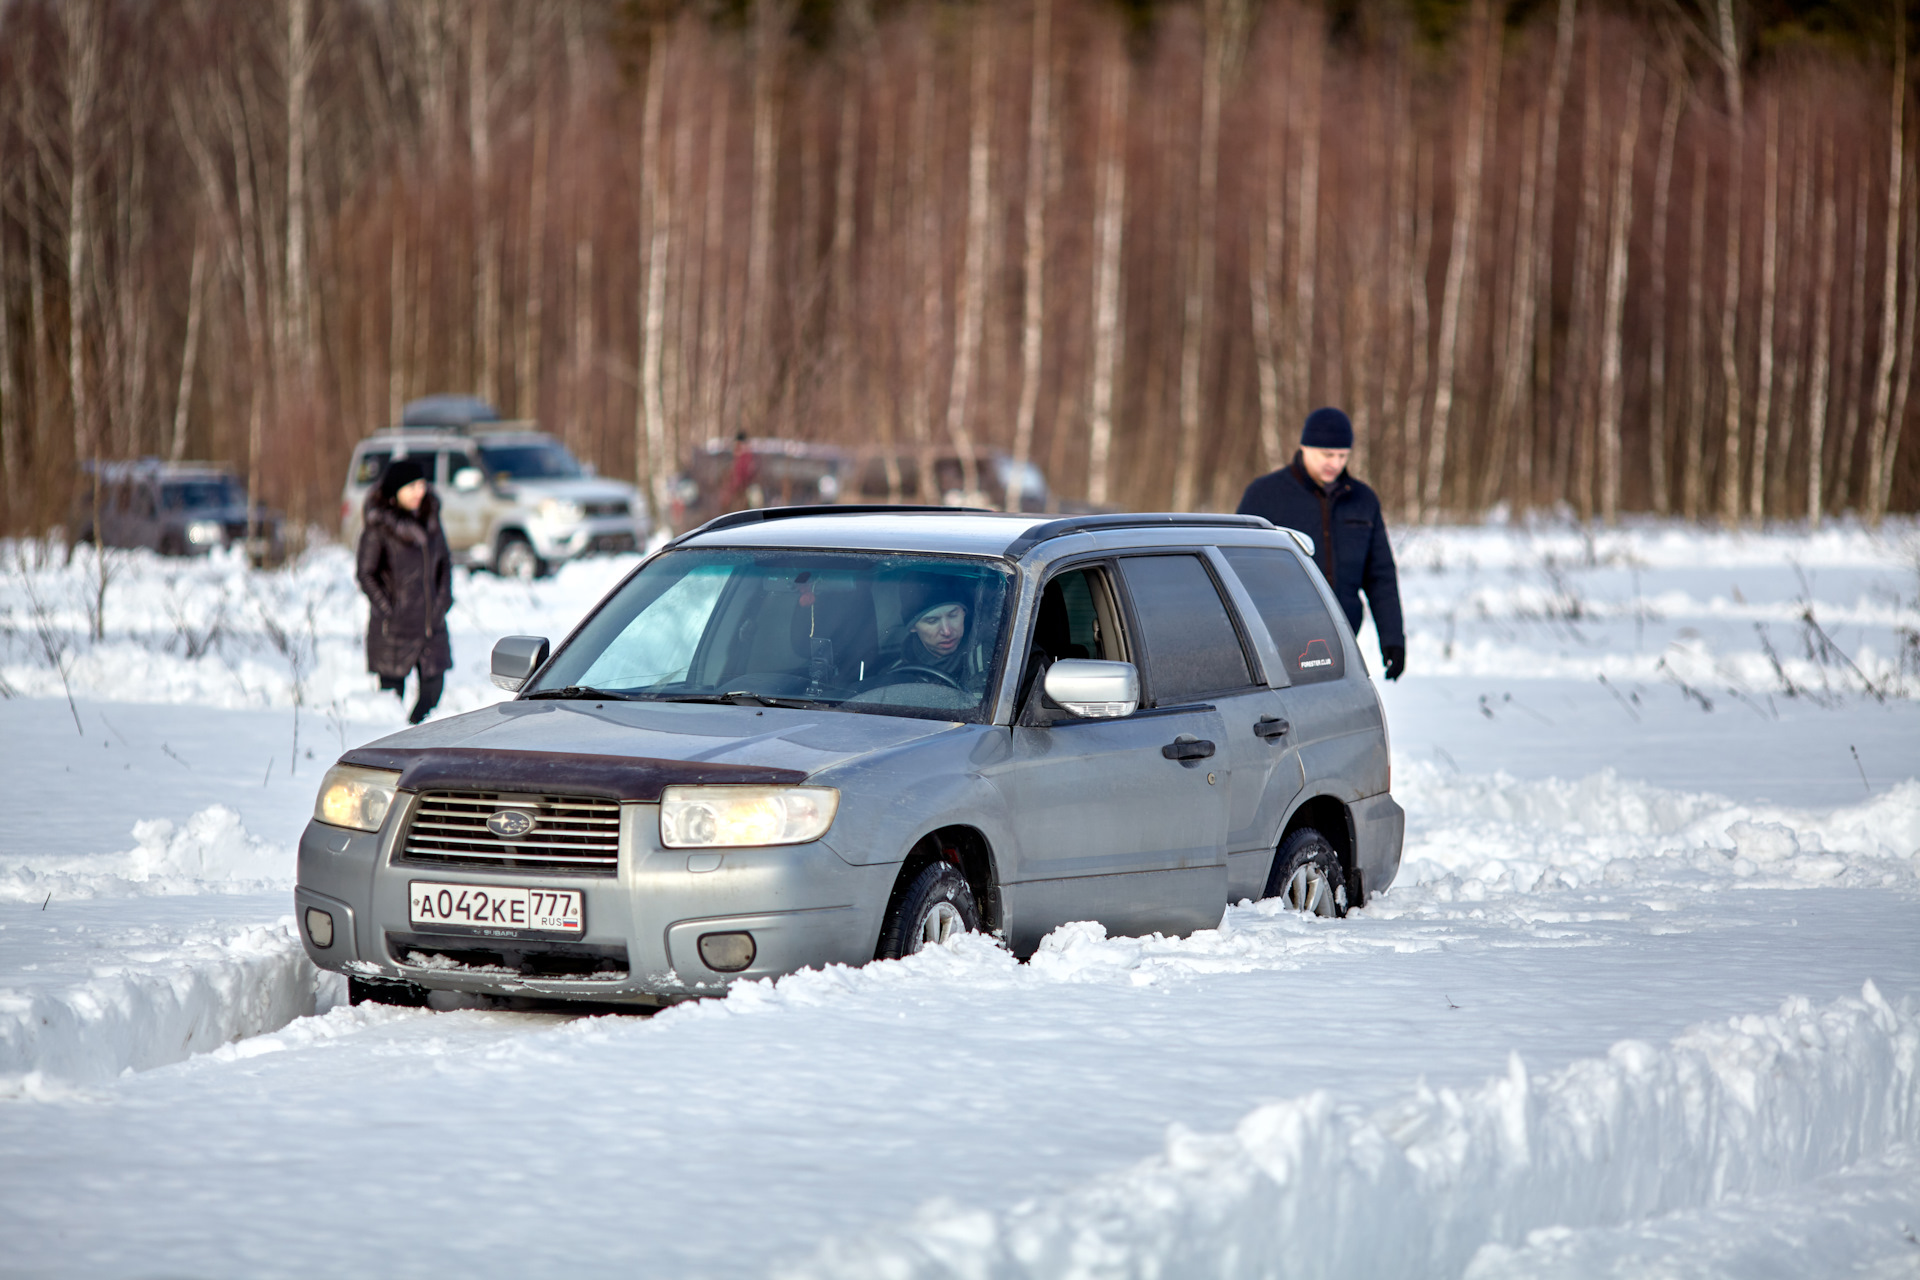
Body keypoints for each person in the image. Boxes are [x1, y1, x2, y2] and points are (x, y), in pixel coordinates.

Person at [1236, 407, 1405, 681]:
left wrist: (1393, 639)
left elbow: (1380, 577)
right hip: (1279, 643)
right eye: (1327, 454)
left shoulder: (1363, 501)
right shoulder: (1265, 495)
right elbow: (1239, 570)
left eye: (1342, 456)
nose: (1335, 463)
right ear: (1305, 447)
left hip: (1343, 640)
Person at [358, 456, 454, 723]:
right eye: (411, 487)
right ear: (395, 490)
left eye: (422, 485)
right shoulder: (379, 525)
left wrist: (443, 599)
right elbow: (366, 574)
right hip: (394, 631)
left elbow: (444, 562)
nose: (419, 492)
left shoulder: (430, 518)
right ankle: (394, 746)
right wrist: (390, 610)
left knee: (432, 694)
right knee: (391, 703)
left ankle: (412, 736)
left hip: (430, 624)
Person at [888, 573, 990, 693]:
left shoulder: (991, 661)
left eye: (953, 615)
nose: (946, 631)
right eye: (932, 621)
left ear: (964, 613)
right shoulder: (895, 674)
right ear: (913, 627)